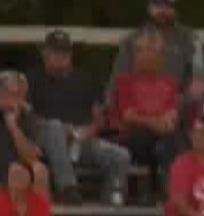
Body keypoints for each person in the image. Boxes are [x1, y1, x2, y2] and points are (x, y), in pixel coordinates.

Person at [30, 30, 132, 206]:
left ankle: (111, 213)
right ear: (44, 53)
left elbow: (99, 117)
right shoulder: (33, 79)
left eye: (64, 52)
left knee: (120, 155)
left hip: (81, 140)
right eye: (55, 52)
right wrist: (63, 131)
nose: (60, 56)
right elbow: (28, 116)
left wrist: (88, 131)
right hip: (45, 141)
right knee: (55, 127)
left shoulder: (86, 79)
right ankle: (68, 188)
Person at [110, 27, 185, 182]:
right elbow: (129, 116)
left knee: (172, 141)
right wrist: (155, 122)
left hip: (162, 137)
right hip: (131, 137)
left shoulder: (169, 83)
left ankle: (173, 188)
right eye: (140, 51)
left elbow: (172, 116)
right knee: (161, 142)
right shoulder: (124, 82)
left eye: (151, 51)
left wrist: (163, 123)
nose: (144, 56)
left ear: (160, 56)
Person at [109, 0, 204, 112]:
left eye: (167, 6)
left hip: (176, 108)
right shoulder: (131, 40)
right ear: (149, 6)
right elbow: (117, 81)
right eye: (158, 5)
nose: (163, 11)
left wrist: (177, 101)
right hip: (136, 108)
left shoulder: (190, 39)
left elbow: (199, 81)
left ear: (174, 8)